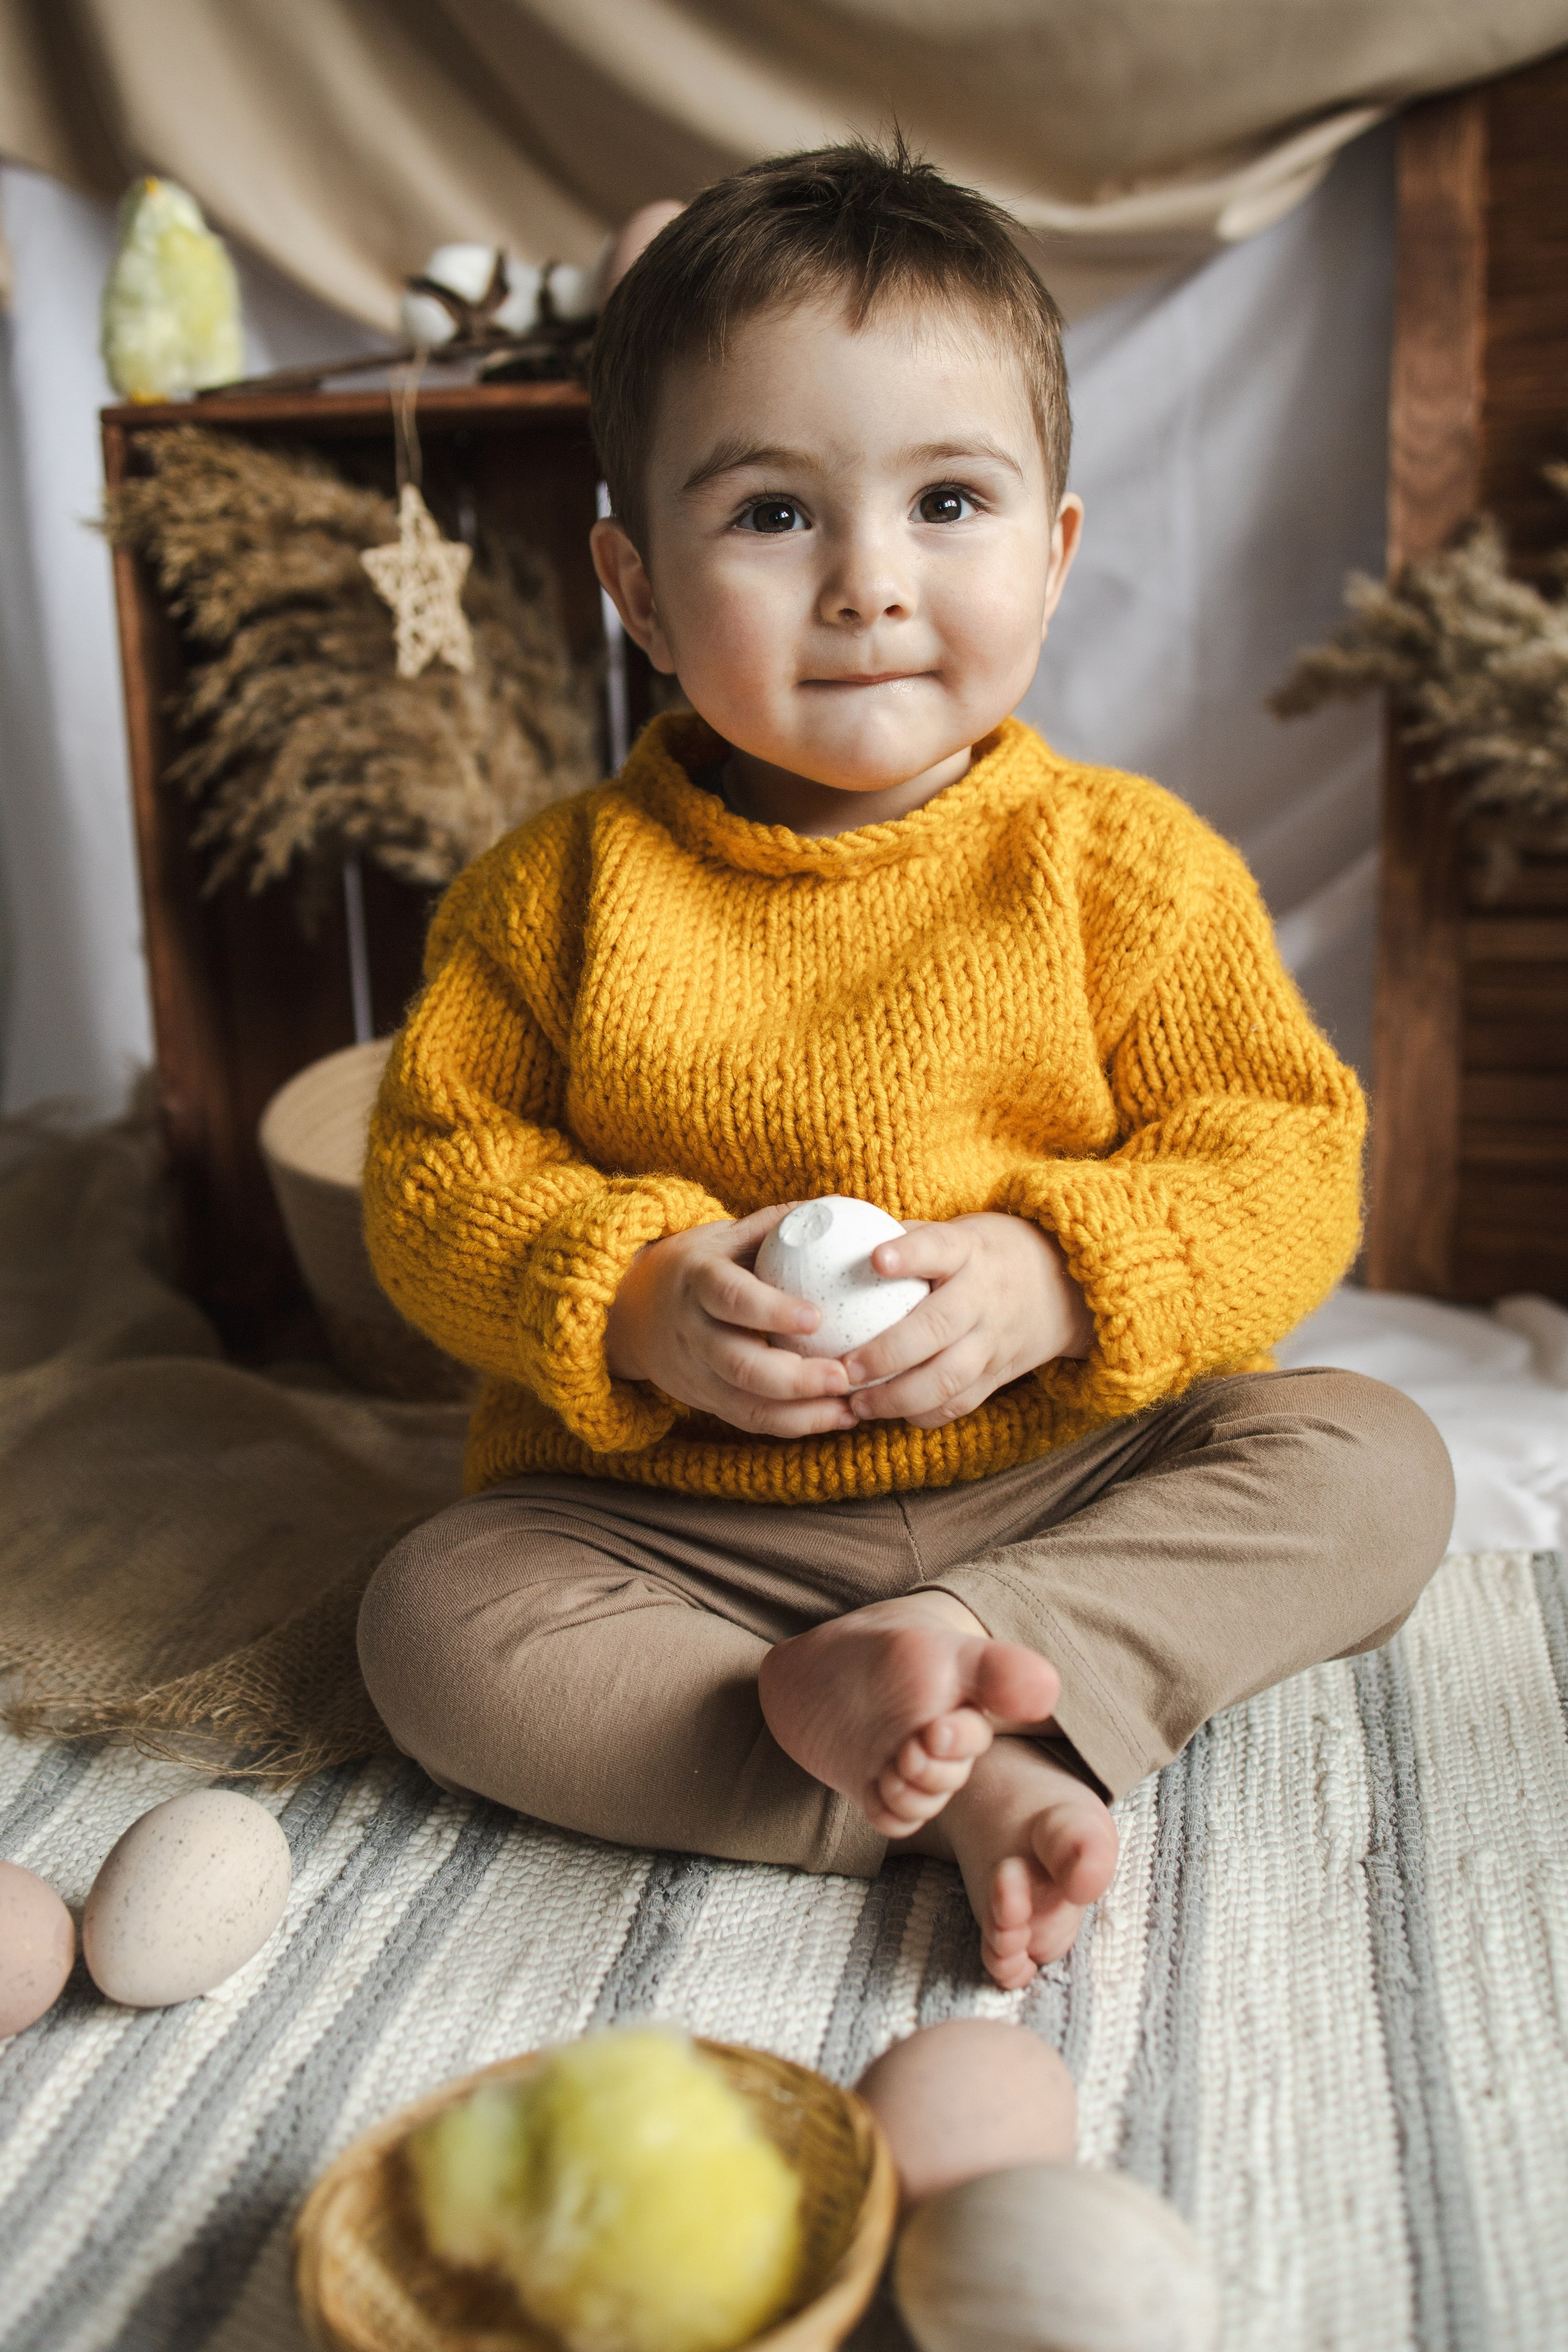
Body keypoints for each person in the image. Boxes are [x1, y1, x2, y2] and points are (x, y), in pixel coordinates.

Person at [358, 141, 1453, 1991]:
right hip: (686, 1526)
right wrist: (631, 1297)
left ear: (1056, 547)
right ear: (633, 584)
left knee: (1374, 1461)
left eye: (948, 501)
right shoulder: (554, 898)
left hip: (1067, 1477)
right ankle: (958, 1760)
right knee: (434, 1627)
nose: (870, 584)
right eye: (775, 516)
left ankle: (981, 1649)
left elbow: (1281, 1160)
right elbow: (435, 1176)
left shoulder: (1127, 871)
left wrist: (1060, 1271)